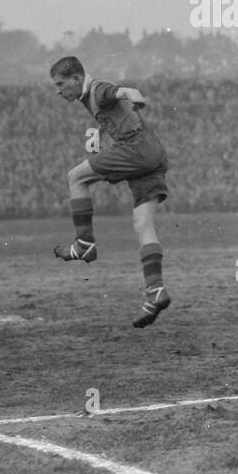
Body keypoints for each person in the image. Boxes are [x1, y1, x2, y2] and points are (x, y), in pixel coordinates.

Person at [50, 56, 171, 328]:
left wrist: (134, 95)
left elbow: (121, 92)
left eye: (61, 83)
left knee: (76, 178)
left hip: (136, 148)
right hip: (153, 152)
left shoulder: (97, 90)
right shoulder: (90, 98)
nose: (58, 90)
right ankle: (156, 291)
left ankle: (84, 245)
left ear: (77, 79)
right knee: (143, 225)